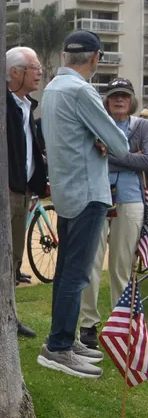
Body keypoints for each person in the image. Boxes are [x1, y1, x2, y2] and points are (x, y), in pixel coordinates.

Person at [37, 30, 128, 379]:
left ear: (64, 56)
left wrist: (95, 138)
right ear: (95, 58)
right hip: (89, 193)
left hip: (65, 191)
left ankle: (61, 339)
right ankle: (59, 347)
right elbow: (119, 144)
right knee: (75, 276)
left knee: (66, 274)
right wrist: (101, 140)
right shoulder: (81, 90)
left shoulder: (52, 90)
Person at [79, 78, 148, 348]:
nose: (119, 100)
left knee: (122, 267)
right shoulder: (97, 124)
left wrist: (109, 155)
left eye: (124, 96)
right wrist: (132, 156)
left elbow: (147, 161)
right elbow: (88, 156)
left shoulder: (142, 125)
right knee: (91, 264)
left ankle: (123, 324)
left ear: (132, 101)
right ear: (106, 101)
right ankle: (87, 324)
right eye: (114, 96)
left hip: (130, 201)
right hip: (97, 198)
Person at [5, 46, 47, 339]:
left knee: (14, 259)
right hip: (5, 192)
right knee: (3, 257)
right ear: (14, 73)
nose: (39, 73)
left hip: (23, 191)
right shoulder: (0, 105)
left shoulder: (26, 107)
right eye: (34, 68)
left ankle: (10, 316)